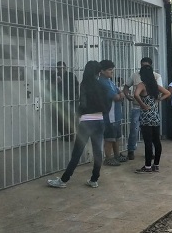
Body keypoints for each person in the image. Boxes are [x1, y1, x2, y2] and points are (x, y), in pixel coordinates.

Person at [47, 60, 110, 189]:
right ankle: (94, 179)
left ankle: (64, 180)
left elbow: (83, 103)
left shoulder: (85, 84)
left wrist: (78, 113)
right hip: (99, 120)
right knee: (98, 151)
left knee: (77, 152)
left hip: (87, 121)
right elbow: (108, 103)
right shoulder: (102, 84)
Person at [133, 65, 171, 173]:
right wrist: (159, 99)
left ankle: (148, 166)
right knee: (157, 141)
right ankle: (156, 165)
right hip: (155, 115)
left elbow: (136, 95)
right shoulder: (155, 85)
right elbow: (168, 93)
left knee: (148, 142)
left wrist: (142, 104)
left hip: (146, 116)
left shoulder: (142, 85)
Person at [123, 57, 163, 160]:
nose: (144, 68)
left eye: (146, 66)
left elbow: (161, 91)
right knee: (134, 130)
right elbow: (126, 86)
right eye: (142, 65)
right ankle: (131, 150)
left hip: (149, 109)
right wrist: (127, 96)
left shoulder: (156, 76)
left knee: (151, 134)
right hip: (138, 107)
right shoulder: (135, 75)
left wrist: (157, 100)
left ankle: (150, 154)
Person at [99, 60, 126, 166]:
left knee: (117, 136)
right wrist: (120, 95)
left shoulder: (109, 81)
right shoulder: (103, 83)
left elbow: (119, 92)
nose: (112, 72)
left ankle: (117, 155)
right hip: (109, 114)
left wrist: (120, 94)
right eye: (110, 70)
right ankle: (108, 158)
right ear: (102, 71)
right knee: (109, 137)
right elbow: (116, 96)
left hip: (115, 113)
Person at [51, 61, 79, 141]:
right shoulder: (54, 76)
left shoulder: (71, 76)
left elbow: (76, 87)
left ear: (65, 68)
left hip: (70, 100)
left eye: (62, 68)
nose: (61, 70)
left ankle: (71, 135)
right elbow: (49, 88)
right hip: (59, 101)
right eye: (59, 68)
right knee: (60, 119)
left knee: (70, 119)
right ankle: (64, 135)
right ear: (57, 69)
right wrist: (55, 82)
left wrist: (76, 99)